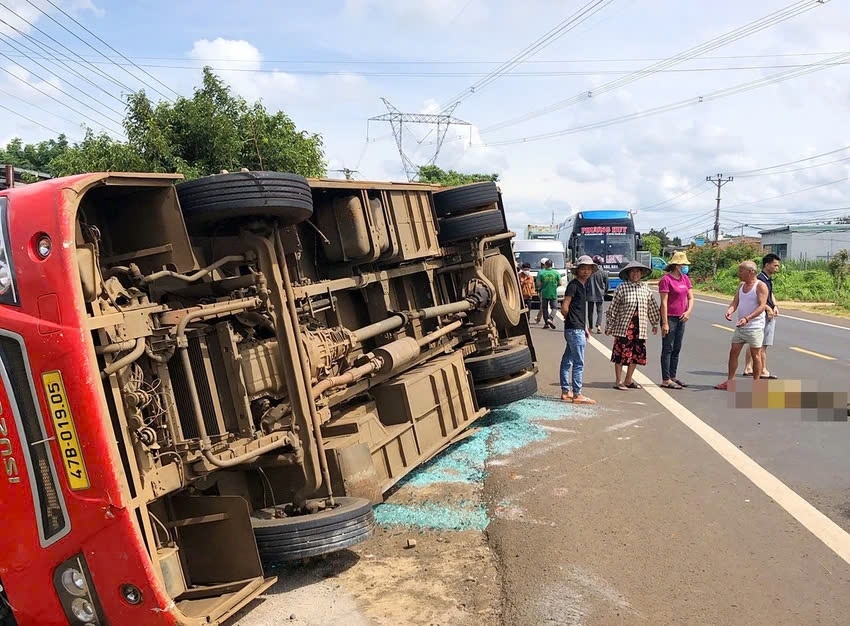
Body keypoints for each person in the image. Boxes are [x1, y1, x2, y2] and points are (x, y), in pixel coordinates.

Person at [604, 259, 660, 390]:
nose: (635, 274)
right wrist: (609, 326)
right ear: (628, 274)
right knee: (621, 354)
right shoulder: (622, 287)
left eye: (638, 271)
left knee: (636, 354)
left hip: (639, 327)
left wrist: (655, 323)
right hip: (624, 327)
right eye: (633, 271)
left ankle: (628, 379)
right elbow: (613, 307)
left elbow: (651, 306)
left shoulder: (645, 288)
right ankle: (618, 381)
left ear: (641, 273)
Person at [714, 261, 769, 390]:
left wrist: (748, 318)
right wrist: (730, 310)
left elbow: (762, 306)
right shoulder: (741, 286)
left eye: (741, 270)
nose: (739, 273)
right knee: (733, 353)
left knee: (756, 355)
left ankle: (756, 384)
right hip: (741, 326)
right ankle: (730, 381)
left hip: (754, 327)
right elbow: (735, 302)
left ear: (751, 272)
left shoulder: (760, 286)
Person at [559, 255, 597, 404]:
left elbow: (579, 309)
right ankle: (577, 394)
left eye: (589, 269)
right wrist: (573, 321)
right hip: (574, 329)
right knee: (578, 362)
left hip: (576, 328)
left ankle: (565, 391)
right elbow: (565, 307)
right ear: (578, 270)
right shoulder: (574, 285)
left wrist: (584, 327)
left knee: (567, 360)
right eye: (583, 268)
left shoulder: (583, 285)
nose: (586, 271)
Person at [658, 251, 694, 389]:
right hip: (670, 317)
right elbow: (664, 302)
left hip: (681, 317)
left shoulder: (685, 279)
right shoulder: (666, 280)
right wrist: (665, 322)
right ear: (676, 265)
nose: (684, 266)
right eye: (682, 264)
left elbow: (690, 297)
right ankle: (665, 379)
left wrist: (688, 311)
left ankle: (673, 375)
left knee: (677, 348)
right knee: (668, 347)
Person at [743, 253, 781, 378]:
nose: (777, 268)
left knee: (755, 342)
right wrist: (768, 308)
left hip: (766, 312)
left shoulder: (767, 279)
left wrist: (774, 305)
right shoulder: (760, 280)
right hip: (763, 315)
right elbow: (760, 300)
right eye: (775, 265)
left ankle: (748, 367)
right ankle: (762, 369)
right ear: (767, 265)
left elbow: (770, 294)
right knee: (762, 344)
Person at [535, 258, 561, 329]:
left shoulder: (541, 273)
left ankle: (546, 323)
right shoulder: (556, 273)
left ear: (545, 265)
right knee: (554, 308)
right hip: (553, 293)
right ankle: (551, 318)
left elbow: (538, 284)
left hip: (544, 293)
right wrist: (554, 286)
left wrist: (541, 287)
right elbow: (560, 283)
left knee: (544, 308)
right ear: (552, 265)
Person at [586, 255, 608, 333]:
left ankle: (591, 327)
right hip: (600, 294)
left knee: (590, 312)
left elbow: (586, 284)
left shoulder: (590, 273)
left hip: (590, 294)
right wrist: (604, 292)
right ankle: (598, 326)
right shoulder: (603, 273)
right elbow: (607, 284)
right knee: (599, 311)